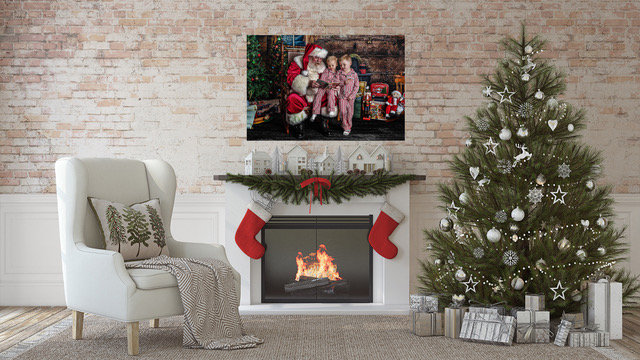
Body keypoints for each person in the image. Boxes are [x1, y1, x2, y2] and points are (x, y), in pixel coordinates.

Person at [285, 43, 328, 137]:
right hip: (302, 95)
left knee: (330, 96)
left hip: (317, 96)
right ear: (310, 55)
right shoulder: (297, 62)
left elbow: (326, 81)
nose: (319, 60)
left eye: (321, 58)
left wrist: (321, 84)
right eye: (316, 57)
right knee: (292, 98)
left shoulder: (322, 67)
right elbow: (290, 78)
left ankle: (323, 121)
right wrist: (308, 83)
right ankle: (299, 124)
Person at [311, 55, 340, 122]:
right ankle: (315, 113)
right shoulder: (326, 71)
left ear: (336, 64)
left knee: (331, 94)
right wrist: (324, 84)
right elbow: (322, 79)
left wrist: (334, 85)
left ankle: (331, 110)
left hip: (331, 88)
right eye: (329, 65)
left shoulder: (337, 73)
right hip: (323, 86)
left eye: (332, 65)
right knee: (318, 95)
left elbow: (337, 81)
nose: (331, 67)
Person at [337, 55, 359, 136]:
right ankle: (345, 127)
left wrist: (352, 95)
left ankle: (349, 125)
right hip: (342, 96)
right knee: (343, 112)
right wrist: (343, 83)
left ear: (350, 63)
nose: (342, 67)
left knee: (350, 113)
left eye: (344, 64)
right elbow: (336, 83)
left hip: (350, 98)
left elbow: (356, 86)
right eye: (341, 65)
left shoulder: (354, 74)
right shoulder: (339, 73)